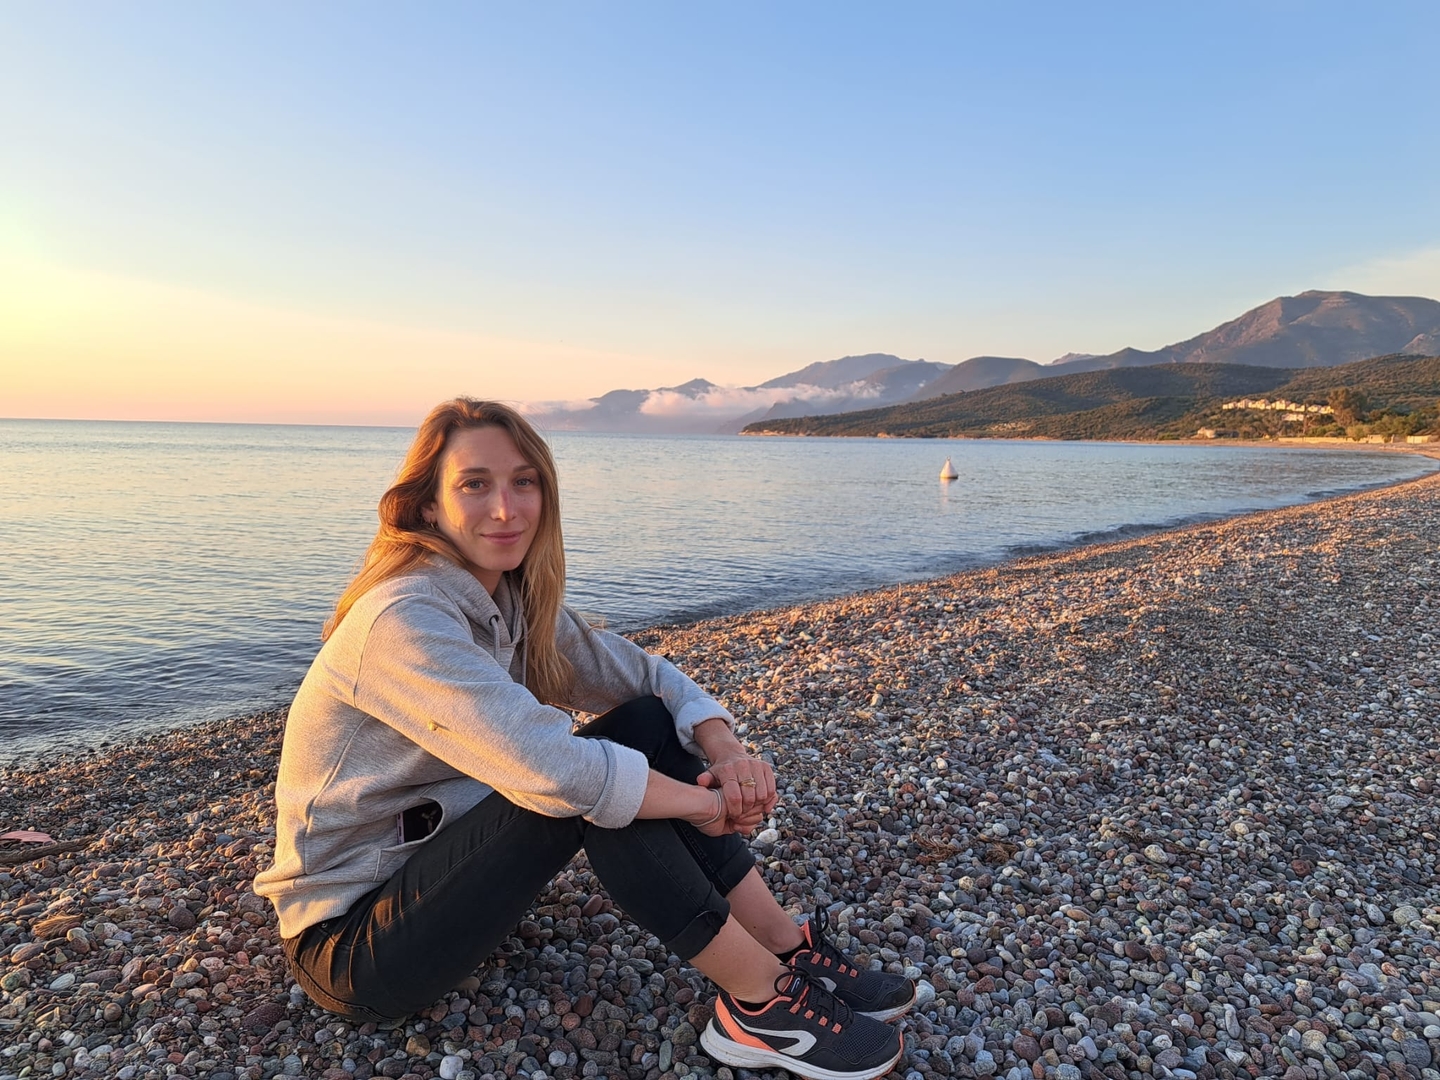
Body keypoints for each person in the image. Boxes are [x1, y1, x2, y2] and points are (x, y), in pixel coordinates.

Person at [254, 399, 915, 1080]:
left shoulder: (511, 603)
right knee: (589, 788)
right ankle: (759, 1002)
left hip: (440, 879)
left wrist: (728, 752)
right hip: (354, 945)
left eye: (524, 482)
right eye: (474, 484)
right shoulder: (402, 620)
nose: (505, 508)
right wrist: (707, 806)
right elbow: (561, 773)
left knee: (641, 726)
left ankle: (783, 945)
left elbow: (647, 680)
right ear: (427, 506)